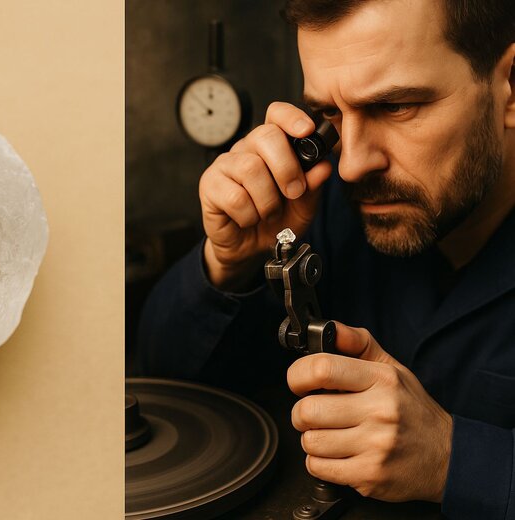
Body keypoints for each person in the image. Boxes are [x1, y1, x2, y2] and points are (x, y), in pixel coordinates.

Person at [136, 0, 515, 517]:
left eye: (395, 107)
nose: (354, 163)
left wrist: (452, 458)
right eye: (332, 114)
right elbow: (164, 388)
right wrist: (231, 264)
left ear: (509, 86)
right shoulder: (323, 208)